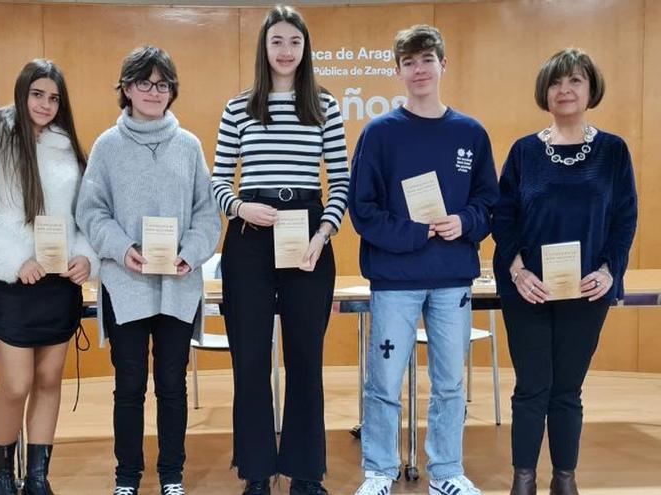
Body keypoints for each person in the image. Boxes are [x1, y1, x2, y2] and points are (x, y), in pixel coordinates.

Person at [348, 24, 498, 495]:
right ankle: (379, 470)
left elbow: (490, 202)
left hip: (452, 278)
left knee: (451, 381)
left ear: (442, 65)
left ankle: (447, 471)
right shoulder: (379, 134)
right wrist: (412, 233)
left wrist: (465, 223)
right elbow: (362, 208)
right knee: (385, 380)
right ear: (397, 71)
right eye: (409, 62)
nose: (418, 69)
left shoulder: (470, 133)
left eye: (426, 60)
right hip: (395, 279)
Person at [211, 6, 349, 495]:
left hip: (308, 237)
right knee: (249, 361)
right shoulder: (239, 107)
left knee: (305, 360)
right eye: (277, 42)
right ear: (264, 48)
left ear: (305, 48)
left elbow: (341, 181)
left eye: (294, 41)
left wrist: (322, 234)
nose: (286, 51)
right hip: (250, 238)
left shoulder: (325, 106)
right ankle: (255, 473)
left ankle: (306, 473)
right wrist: (240, 208)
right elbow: (217, 181)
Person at [0, 58, 97, 495]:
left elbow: (85, 217)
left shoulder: (68, 149)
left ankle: (37, 478)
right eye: (38, 94)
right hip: (12, 285)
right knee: (16, 384)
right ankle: (2, 476)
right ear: (21, 93)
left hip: (59, 285)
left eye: (54, 97)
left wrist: (86, 256)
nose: (46, 104)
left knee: (50, 380)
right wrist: (15, 259)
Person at [76, 45, 221, 495]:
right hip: (127, 284)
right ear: (126, 88)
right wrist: (122, 250)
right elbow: (91, 211)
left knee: (173, 385)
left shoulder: (189, 145)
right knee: (130, 386)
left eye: (162, 84)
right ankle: (127, 477)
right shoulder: (107, 146)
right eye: (144, 83)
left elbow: (208, 214)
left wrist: (190, 253)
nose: (154, 92)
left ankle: (172, 474)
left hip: (178, 285)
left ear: (172, 90)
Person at [492, 48, 637, 495]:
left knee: (567, 390)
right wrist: (517, 271)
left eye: (575, 80)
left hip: (587, 290)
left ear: (590, 88)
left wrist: (611, 271)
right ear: (545, 92)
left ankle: (565, 478)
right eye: (556, 82)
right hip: (530, 290)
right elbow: (504, 217)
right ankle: (524, 479)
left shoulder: (613, 151)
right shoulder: (524, 152)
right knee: (532, 386)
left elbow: (624, 218)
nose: (565, 90)